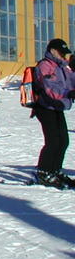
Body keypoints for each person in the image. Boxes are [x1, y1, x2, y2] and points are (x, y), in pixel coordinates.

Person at [31, 39, 75, 188]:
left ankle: (55, 170)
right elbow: (49, 88)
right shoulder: (44, 66)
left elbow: (71, 81)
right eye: (61, 52)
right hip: (45, 106)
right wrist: (69, 93)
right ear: (53, 51)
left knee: (64, 140)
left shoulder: (62, 67)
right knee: (53, 141)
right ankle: (44, 172)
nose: (64, 55)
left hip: (57, 106)